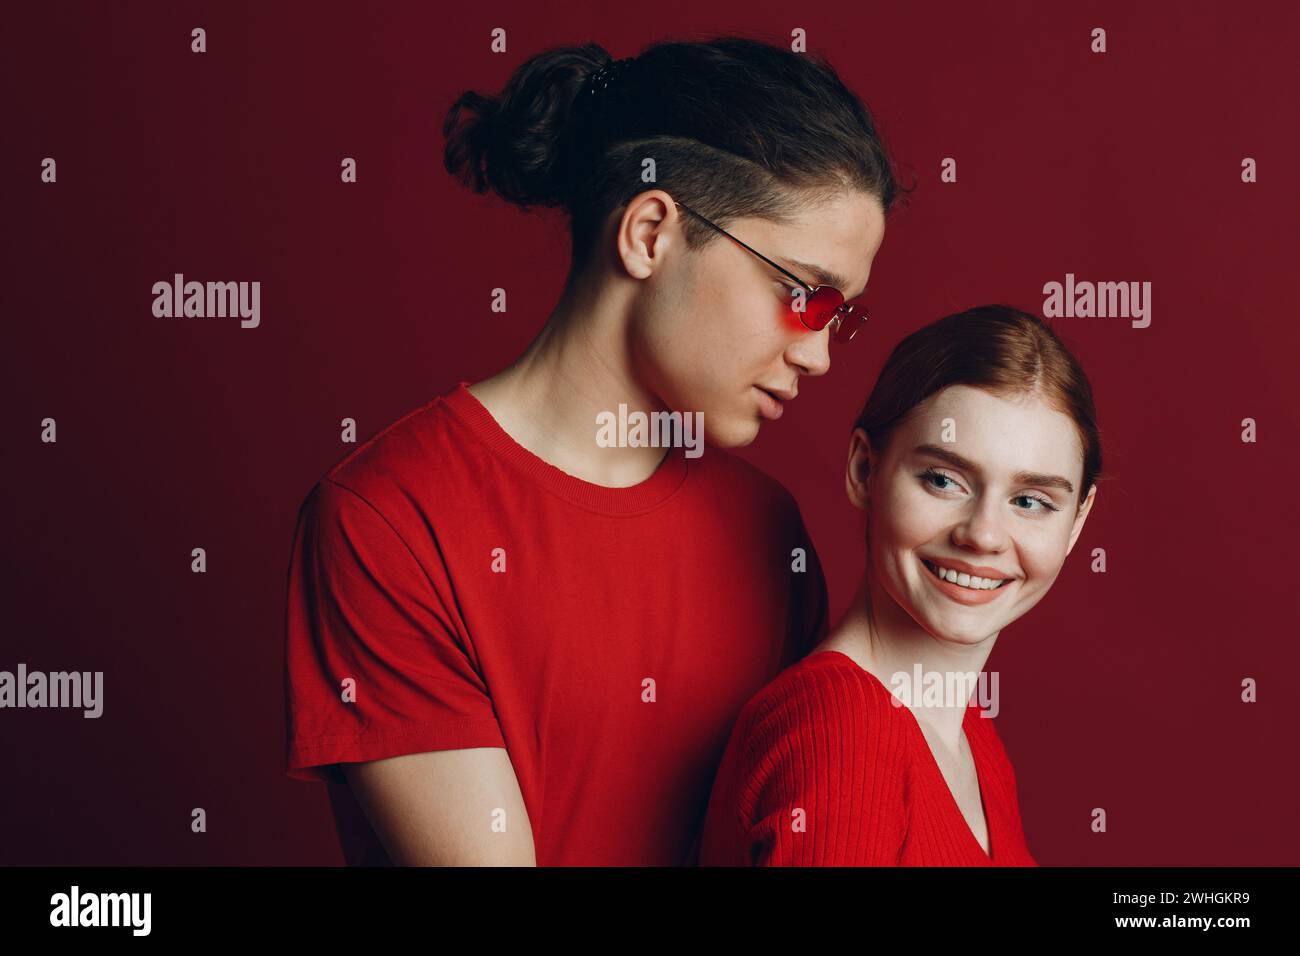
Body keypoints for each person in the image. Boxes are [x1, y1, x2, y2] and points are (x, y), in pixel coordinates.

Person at [283, 35, 900, 865]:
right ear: (650, 233)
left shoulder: (767, 530)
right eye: (801, 293)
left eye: (839, 317)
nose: (819, 354)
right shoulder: (390, 521)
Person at [699, 305, 1103, 865]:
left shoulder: (971, 737)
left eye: (1030, 501)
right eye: (943, 479)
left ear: (1076, 523)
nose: (983, 534)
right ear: (867, 470)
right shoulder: (844, 732)